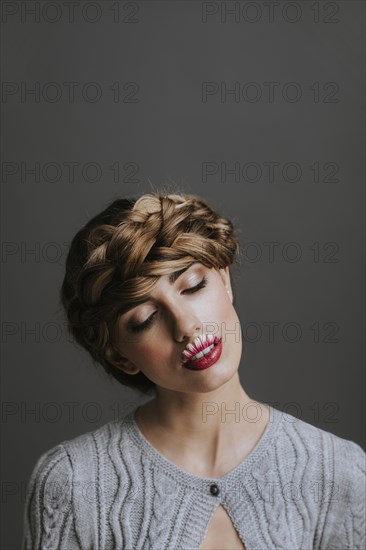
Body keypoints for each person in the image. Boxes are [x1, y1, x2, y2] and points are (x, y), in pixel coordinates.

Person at [22, 191, 365, 550]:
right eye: (145, 319)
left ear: (225, 279)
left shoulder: (339, 474)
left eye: (193, 285)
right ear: (121, 357)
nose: (185, 325)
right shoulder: (73, 483)